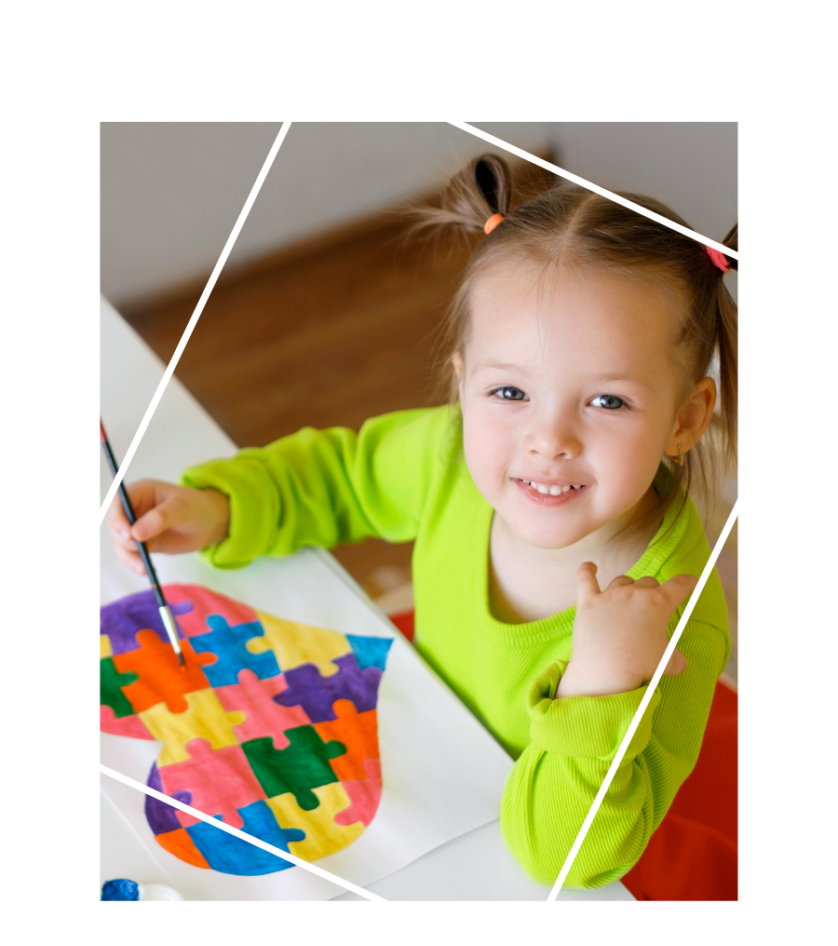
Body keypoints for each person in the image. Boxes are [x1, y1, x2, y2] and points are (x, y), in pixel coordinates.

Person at [107, 155, 739, 889]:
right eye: (509, 391)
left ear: (686, 419)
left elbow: (564, 858)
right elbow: (341, 477)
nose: (548, 439)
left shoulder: (672, 624)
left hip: (559, 828)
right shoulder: (448, 452)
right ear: (463, 379)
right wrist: (224, 506)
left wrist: (600, 689)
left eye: (607, 402)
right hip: (422, 729)